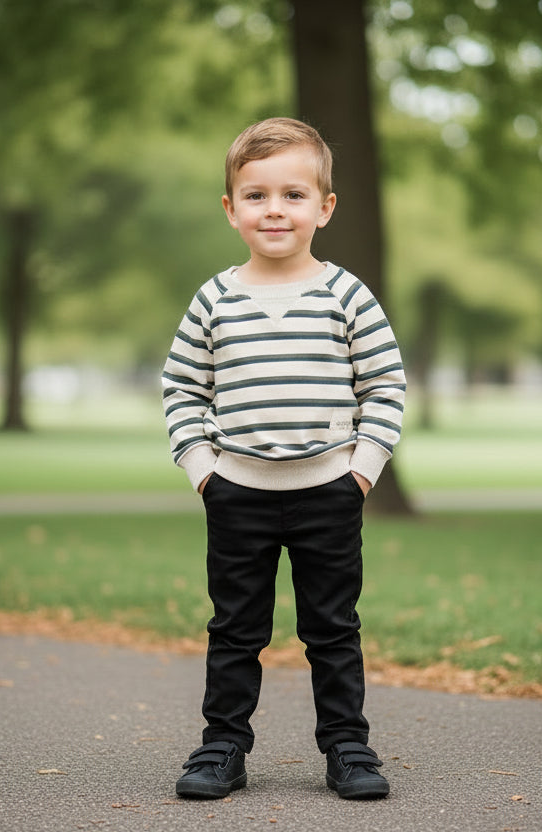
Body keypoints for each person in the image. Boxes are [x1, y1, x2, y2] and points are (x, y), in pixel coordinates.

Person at [161, 117, 406, 801]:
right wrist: (203, 471)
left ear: (325, 208)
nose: (275, 209)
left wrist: (362, 471)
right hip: (236, 490)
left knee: (332, 628)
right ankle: (222, 746)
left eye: (294, 195)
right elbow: (182, 388)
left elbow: (385, 386)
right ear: (231, 209)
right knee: (235, 629)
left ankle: (348, 747)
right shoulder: (215, 299)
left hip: (329, 488)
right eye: (257, 195)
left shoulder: (346, 295)